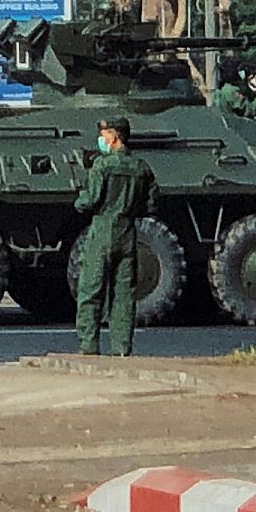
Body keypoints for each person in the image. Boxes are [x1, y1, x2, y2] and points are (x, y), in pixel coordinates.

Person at [72, 116, 161, 357]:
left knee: (91, 289)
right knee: (124, 294)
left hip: (102, 229)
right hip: (127, 232)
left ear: (114, 136)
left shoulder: (102, 166)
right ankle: (122, 348)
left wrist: (78, 200)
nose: (101, 139)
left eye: (104, 134)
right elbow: (152, 204)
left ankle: (89, 346)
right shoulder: (141, 168)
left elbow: (89, 201)